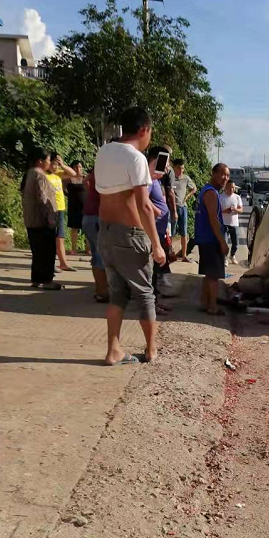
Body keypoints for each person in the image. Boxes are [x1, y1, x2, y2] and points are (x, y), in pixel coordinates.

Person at [94, 107, 166, 366]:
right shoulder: (135, 158)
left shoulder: (103, 151)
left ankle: (113, 350)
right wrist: (157, 245)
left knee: (117, 294)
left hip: (106, 232)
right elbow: (144, 206)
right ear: (144, 129)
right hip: (131, 236)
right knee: (145, 294)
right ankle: (151, 350)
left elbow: (114, 192)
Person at [21, 148, 61, 290]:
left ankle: (37, 279)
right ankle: (46, 280)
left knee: (37, 252)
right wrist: (50, 220)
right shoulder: (39, 175)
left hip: (32, 220)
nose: (49, 163)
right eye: (48, 160)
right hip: (41, 221)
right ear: (40, 161)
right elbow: (44, 199)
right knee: (47, 252)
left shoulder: (30, 173)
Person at [195, 162, 230, 315]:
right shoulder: (211, 193)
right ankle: (212, 306)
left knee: (209, 274)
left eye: (227, 175)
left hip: (205, 238)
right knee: (214, 275)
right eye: (222, 174)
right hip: (210, 239)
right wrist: (222, 241)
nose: (225, 178)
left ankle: (204, 302)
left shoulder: (207, 190)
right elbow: (213, 219)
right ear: (213, 174)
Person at [147, 145, 175, 312]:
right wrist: (157, 211)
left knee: (157, 272)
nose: (167, 166)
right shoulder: (149, 179)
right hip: (153, 230)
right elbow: (141, 197)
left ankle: (156, 301)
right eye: (165, 162)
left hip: (160, 229)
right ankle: (152, 304)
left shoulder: (156, 180)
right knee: (153, 271)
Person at [46, 153, 77, 272]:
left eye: (56, 164)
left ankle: (63, 263)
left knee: (60, 237)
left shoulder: (58, 174)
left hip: (60, 208)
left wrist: (62, 165)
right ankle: (50, 263)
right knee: (50, 238)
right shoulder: (44, 175)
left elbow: (73, 174)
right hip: (49, 209)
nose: (54, 166)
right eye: (52, 163)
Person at [82, 170, 108, 302]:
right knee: (101, 254)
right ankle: (102, 292)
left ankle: (99, 288)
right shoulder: (103, 174)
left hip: (88, 216)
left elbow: (85, 181)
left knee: (96, 254)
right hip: (97, 217)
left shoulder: (95, 172)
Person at [171, 158, 197, 261]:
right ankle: (171, 253)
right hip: (173, 207)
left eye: (182, 168)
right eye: (179, 168)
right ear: (174, 168)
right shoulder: (171, 178)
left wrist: (187, 196)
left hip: (183, 207)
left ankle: (184, 256)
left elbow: (194, 188)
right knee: (172, 232)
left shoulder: (186, 178)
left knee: (184, 232)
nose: (181, 170)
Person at [64, 161, 88, 255]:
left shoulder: (85, 178)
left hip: (85, 207)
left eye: (80, 167)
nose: (78, 169)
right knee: (74, 229)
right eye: (76, 167)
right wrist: (67, 195)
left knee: (86, 229)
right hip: (73, 206)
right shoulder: (68, 179)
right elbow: (62, 188)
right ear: (72, 168)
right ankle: (74, 249)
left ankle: (88, 249)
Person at [220, 179, 243, 265]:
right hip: (224, 223)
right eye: (229, 187)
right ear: (225, 187)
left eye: (233, 188)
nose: (231, 189)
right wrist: (226, 211)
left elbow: (241, 210)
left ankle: (232, 255)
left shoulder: (237, 197)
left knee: (236, 243)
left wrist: (235, 209)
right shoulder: (221, 197)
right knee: (224, 243)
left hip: (234, 223)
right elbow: (217, 211)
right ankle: (224, 258)